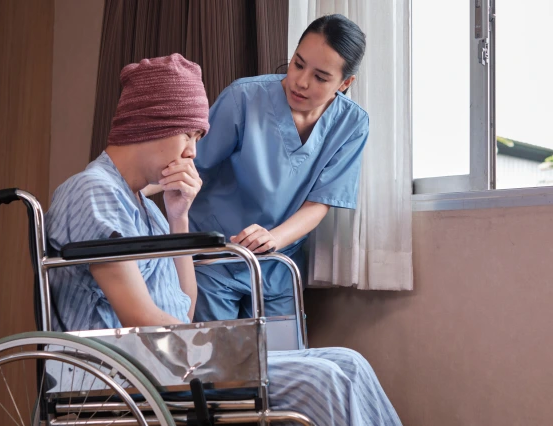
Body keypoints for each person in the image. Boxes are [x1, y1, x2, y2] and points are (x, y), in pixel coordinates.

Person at [46, 53, 401, 426]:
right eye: (189, 135)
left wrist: (178, 214)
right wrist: (224, 350)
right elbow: (140, 318)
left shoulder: (144, 207)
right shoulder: (94, 192)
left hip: (168, 361)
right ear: (150, 123)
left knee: (349, 361)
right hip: (122, 372)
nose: (193, 153)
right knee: (321, 379)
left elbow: (183, 309)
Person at [189, 14, 369, 321]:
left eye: (321, 77)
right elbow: (193, 166)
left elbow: (321, 202)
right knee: (216, 363)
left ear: (345, 83)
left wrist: (275, 239)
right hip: (215, 255)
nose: (301, 81)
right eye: (298, 64)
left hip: (277, 262)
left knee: (285, 363)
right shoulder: (244, 97)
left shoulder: (352, 124)